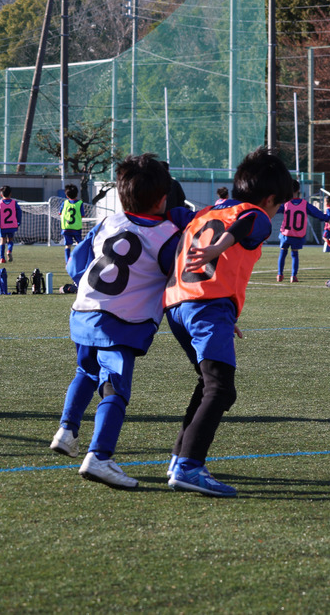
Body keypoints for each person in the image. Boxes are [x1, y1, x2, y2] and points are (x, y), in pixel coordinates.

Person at [49, 154, 188, 490]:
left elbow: (75, 265)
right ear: (163, 200)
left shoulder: (109, 222)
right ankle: (99, 456)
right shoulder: (167, 235)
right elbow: (179, 276)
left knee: (85, 371)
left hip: (84, 311)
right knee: (115, 388)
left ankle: (66, 430)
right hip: (121, 321)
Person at [162, 147, 294, 497]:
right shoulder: (255, 213)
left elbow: (172, 214)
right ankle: (189, 466)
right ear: (270, 198)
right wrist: (218, 248)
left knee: (208, 383)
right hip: (207, 308)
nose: (276, 213)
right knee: (221, 389)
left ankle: (179, 459)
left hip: (178, 306)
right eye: (278, 206)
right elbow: (250, 223)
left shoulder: (205, 211)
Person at [276, 180, 330, 282]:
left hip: (286, 234)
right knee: (294, 254)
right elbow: (316, 213)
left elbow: (274, 209)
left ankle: (280, 274)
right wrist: (327, 218)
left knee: (283, 253)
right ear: (298, 190)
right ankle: (293, 276)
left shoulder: (285, 204)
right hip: (297, 235)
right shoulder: (304, 204)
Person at [0, 185, 21, 264]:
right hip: (12, 225)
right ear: (10, 194)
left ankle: (2, 258)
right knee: (10, 240)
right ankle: (9, 250)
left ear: (1, 194)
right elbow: (19, 213)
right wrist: (18, 222)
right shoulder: (14, 203)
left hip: (3, 226)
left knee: (2, 241)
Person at [60, 184, 84, 264]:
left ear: (67, 195)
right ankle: (77, 261)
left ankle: (68, 263)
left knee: (68, 245)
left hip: (66, 228)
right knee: (78, 244)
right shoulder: (80, 203)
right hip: (76, 228)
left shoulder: (64, 203)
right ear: (77, 194)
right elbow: (82, 215)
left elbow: (60, 213)